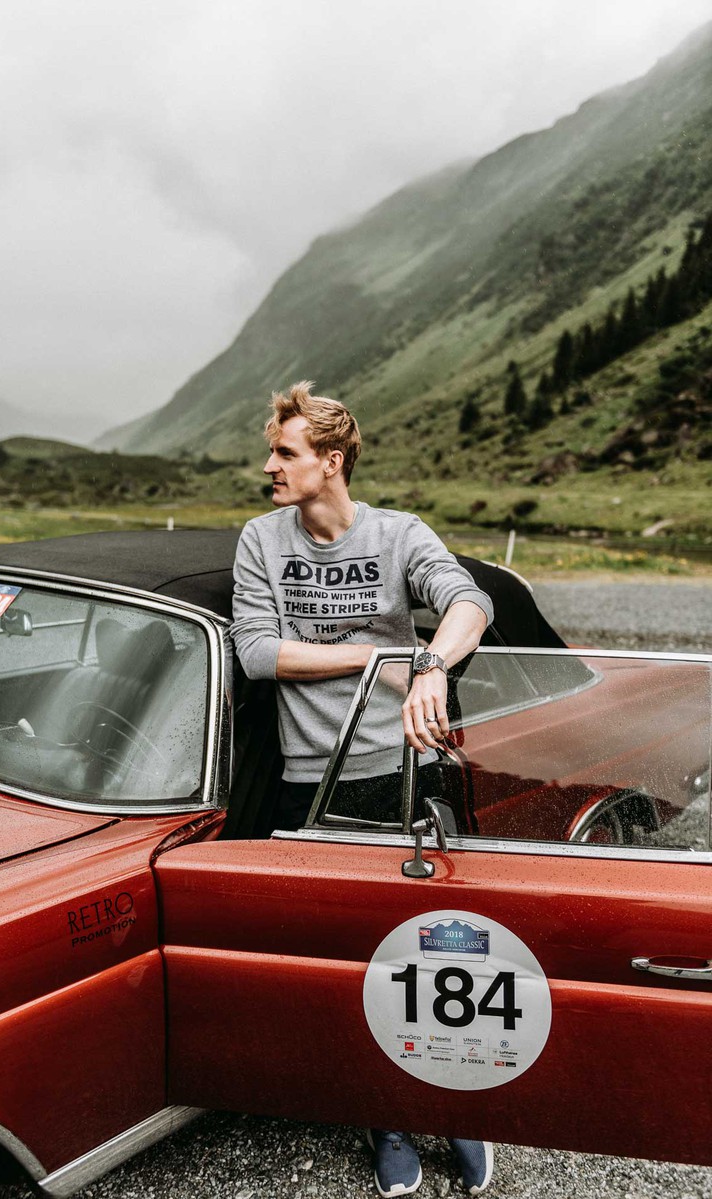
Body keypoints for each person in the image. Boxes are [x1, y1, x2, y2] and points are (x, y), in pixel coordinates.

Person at [231, 381, 495, 1197]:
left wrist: (437, 662)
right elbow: (257, 654)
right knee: (354, 960)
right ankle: (384, 1114)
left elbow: (467, 599)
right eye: (273, 451)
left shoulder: (397, 533)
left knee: (439, 945)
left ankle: (461, 1100)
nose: (268, 467)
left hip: (405, 769)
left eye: (285, 453)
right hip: (311, 782)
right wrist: (389, 655)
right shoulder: (261, 540)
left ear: (331, 462)